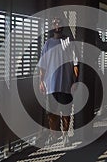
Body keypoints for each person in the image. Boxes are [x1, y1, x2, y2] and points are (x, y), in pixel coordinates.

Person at [38, 17, 79, 146]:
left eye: (59, 22)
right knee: (51, 113)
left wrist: (75, 81)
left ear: (63, 25)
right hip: (50, 85)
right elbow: (42, 65)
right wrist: (41, 81)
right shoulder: (47, 44)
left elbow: (76, 64)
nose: (57, 24)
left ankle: (66, 136)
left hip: (66, 84)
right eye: (54, 22)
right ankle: (54, 136)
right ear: (51, 26)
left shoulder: (69, 41)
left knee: (66, 112)